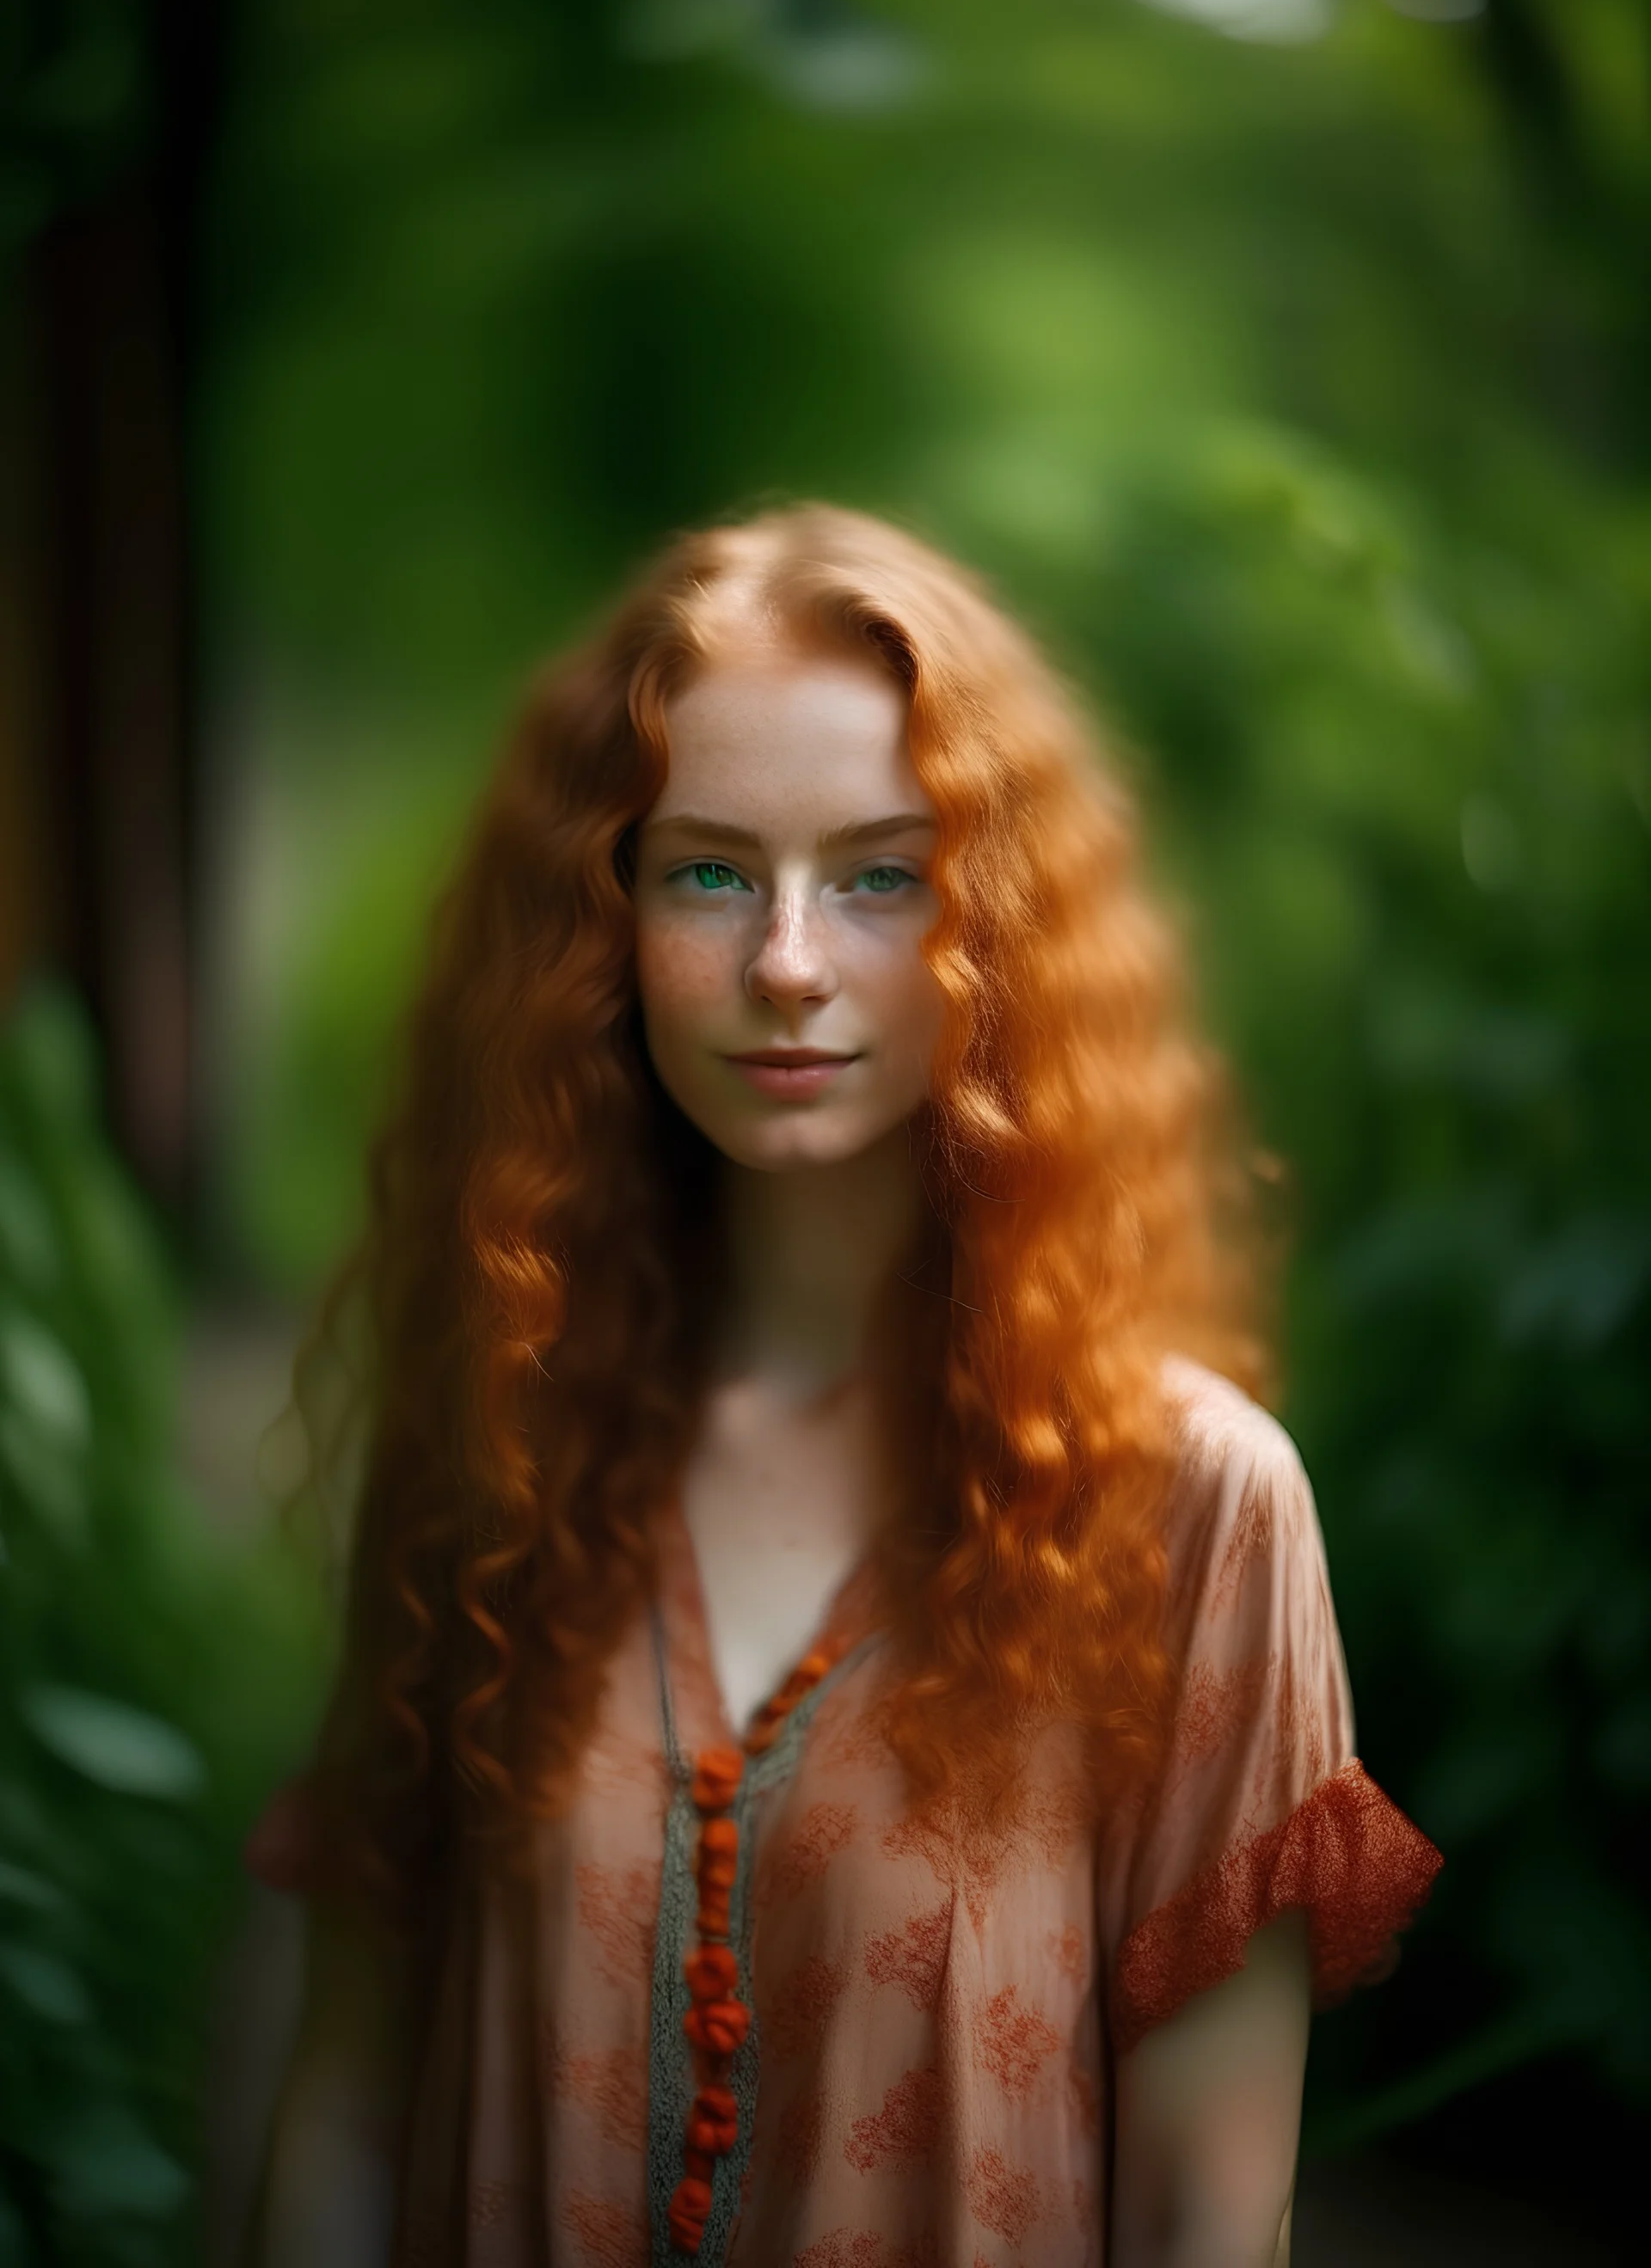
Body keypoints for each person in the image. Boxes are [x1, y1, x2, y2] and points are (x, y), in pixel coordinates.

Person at [246, 503, 1440, 2268]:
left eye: (882, 874)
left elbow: (1208, 2213)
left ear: (1001, 929)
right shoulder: (488, 1440)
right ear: (607, 917)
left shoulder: (1194, 1508)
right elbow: (345, 2125)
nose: (789, 963)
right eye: (710, 872)